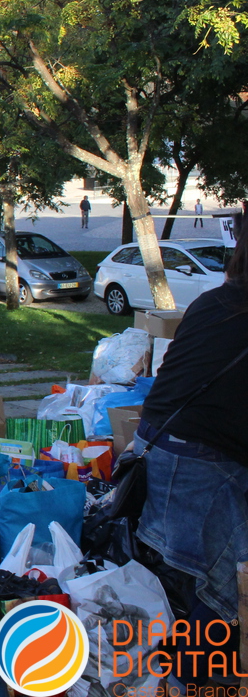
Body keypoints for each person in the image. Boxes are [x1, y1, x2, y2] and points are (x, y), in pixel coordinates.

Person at [136, 235, 248, 668]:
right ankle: (185, 675)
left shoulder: (215, 301)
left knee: (201, 580)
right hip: (196, 464)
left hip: (159, 444)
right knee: (224, 588)